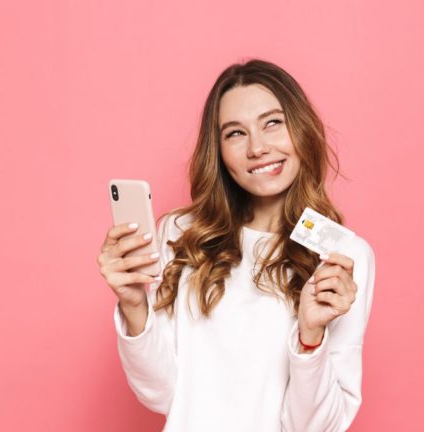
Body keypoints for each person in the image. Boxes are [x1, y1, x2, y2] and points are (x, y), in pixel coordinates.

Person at [97, 58, 376, 432]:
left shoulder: (344, 255)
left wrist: (311, 336)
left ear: (302, 128)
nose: (257, 148)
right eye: (235, 133)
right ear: (220, 151)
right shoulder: (182, 233)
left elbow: (315, 427)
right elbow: (162, 395)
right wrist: (134, 304)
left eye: (272, 123)